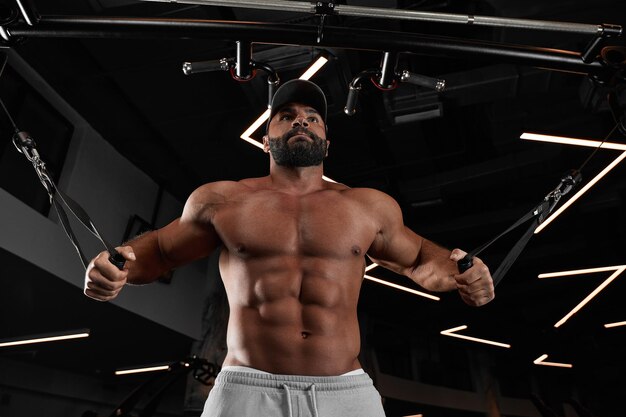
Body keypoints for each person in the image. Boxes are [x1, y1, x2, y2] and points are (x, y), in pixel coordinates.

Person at [85, 79, 495, 417]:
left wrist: (462, 273)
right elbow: (159, 250)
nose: (301, 121)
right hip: (246, 391)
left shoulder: (368, 206)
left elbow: (422, 260)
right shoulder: (221, 200)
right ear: (266, 140)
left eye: (313, 118)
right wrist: (117, 266)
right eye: (286, 117)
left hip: (346, 394)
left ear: (327, 143)